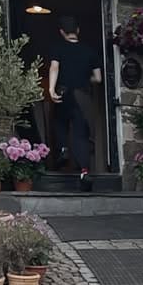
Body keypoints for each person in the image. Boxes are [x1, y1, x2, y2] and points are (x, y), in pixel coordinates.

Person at [48, 15, 101, 186]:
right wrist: (86, 80)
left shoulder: (58, 48)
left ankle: (63, 149)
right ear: (78, 30)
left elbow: (54, 67)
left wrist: (51, 88)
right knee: (81, 134)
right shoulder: (89, 51)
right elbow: (98, 78)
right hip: (82, 94)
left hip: (64, 92)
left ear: (61, 32)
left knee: (59, 122)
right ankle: (84, 172)